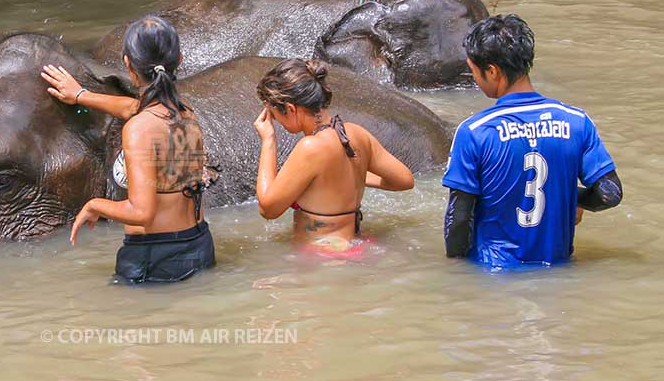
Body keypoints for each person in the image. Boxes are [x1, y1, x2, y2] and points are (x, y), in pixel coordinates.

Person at [40, 16, 216, 283]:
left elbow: (141, 213)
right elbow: (132, 108)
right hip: (199, 245)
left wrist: (93, 205)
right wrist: (80, 95)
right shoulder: (184, 113)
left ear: (128, 64)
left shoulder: (139, 129)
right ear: (178, 59)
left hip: (156, 259)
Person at [443, 14, 622, 267]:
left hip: (493, 276)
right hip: (558, 272)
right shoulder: (576, 121)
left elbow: (459, 218)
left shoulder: (475, 131)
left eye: (474, 71)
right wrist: (571, 197)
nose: (474, 79)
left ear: (492, 71)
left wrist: (454, 271)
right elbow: (610, 194)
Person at [254, 58, 414, 259]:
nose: (275, 122)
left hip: (321, 255)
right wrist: (355, 176)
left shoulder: (310, 148)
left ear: (291, 109)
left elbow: (268, 209)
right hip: (355, 245)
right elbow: (404, 180)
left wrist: (268, 140)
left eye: (274, 115)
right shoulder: (358, 133)